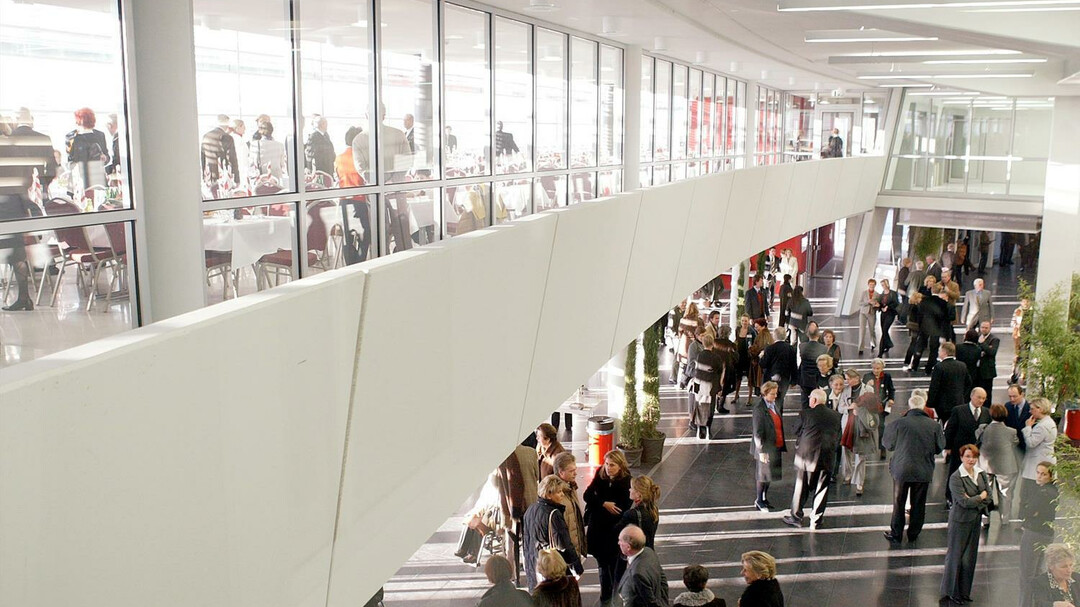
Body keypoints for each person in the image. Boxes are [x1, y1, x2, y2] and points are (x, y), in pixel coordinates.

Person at [0, 115, 52, 312]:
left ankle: (24, 298)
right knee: (16, 253)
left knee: (13, 253)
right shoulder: (15, 147)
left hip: (3, 204)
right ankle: (24, 296)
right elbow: (28, 176)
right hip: (16, 203)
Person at [883, 393, 945, 544]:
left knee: (899, 502)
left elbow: (888, 444)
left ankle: (896, 533)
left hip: (901, 469)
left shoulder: (898, 423)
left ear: (909, 406)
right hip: (923, 469)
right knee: (919, 503)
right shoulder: (934, 425)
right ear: (923, 406)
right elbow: (940, 447)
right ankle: (914, 533)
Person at [940, 444, 993, 604]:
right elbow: (963, 502)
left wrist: (977, 498)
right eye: (968, 456)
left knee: (970, 558)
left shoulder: (981, 474)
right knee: (956, 556)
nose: (971, 460)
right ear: (962, 457)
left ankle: (964, 592)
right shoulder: (956, 477)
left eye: (974, 457)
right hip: (960, 521)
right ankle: (952, 592)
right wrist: (980, 497)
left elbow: (989, 496)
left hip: (975, 519)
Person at [782, 388, 841, 530]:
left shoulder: (805, 414)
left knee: (801, 487)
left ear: (814, 400)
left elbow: (795, 430)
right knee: (822, 489)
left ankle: (796, 517)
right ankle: (816, 520)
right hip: (827, 457)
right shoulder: (836, 415)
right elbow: (838, 435)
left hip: (806, 457)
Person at [583, 450, 632, 604]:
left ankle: (611, 594)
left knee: (612, 565)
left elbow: (621, 508)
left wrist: (599, 501)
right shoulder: (601, 473)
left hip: (613, 532)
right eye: (606, 464)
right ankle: (606, 595)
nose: (608, 468)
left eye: (612, 465)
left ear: (620, 466)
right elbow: (587, 495)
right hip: (597, 529)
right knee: (603, 565)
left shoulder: (626, 481)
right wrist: (603, 503)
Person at [523, 475, 583, 591]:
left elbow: (527, 539)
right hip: (551, 565)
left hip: (534, 563)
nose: (562, 495)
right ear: (548, 494)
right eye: (559, 492)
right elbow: (564, 544)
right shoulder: (554, 514)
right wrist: (576, 567)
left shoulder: (531, 509)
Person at [1020, 462, 1060, 607]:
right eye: (1038, 472)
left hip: (1034, 534)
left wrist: (1029, 513)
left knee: (1027, 575)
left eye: (1043, 474)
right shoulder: (1054, 490)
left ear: (1050, 476)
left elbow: (1027, 511)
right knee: (1038, 572)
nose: (1039, 476)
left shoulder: (1042, 492)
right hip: (1047, 534)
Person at [944, 387, 991, 507]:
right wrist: (948, 446)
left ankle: (972, 497)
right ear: (971, 396)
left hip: (977, 451)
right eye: (979, 397)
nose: (981, 400)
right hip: (960, 449)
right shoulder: (959, 410)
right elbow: (950, 429)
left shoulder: (986, 412)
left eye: (984, 398)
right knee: (955, 472)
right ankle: (950, 497)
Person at [976, 403, 1019, 527]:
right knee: (1005, 493)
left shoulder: (983, 429)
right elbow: (1015, 443)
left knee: (984, 492)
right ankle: (1004, 519)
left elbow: (977, 438)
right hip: (1005, 466)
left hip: (985, 465)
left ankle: (985, 519)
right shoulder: (1011, 432)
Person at [751, 382, 786, 512]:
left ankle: (764, 498)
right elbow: (758, 432)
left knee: (769, 475)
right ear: (765, 393)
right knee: (762, 475)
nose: (775, 396)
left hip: (775, 444)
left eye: (776, 393)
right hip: (765, 448)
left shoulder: (773, 405)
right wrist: (761, 452)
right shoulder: (759, 409)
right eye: (772, 393)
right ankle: (759, 500)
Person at [615, 525, 670, 607]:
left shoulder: (637, 574)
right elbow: (663, 582)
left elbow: (650, 602)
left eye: (620, 540)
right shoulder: (649, 552)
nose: (618, 543)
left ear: (628, 547)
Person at [840, 392, 878, 496]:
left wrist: (859, 412)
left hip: (862, 439)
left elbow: (871, 425)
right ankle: (848, 476)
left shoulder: (872, 412)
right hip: (850, 435)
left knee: (861, 460)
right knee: (848, 456)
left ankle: (859, 483)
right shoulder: (856, 407)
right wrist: (849, 408)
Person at [67, 107, 112, 193]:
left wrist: (104, 158)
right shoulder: (73, 137)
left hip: (95, 178)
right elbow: (70, 162)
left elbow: (107, 157)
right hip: (81, 179)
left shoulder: (99, 135)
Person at [928, 342, 972, 423]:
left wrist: (930, 403)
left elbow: (934, 387)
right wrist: (962, 396)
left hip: (943, 405)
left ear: (944, 352)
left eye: (940, 350)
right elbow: (968, 383)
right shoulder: (962, 365)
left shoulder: (939, 367)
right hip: (959, 402)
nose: (938, 352)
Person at [552, 452, 587, 557]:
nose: (575, 473)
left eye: (575, 470)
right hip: (566, 553)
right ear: (561, 472)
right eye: (571, 471)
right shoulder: (556, 495)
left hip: (574, 549)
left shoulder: (570, 488)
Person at [1021, 398, 1058, 496]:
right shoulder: (1049, 422)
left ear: (1040, 409)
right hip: (1045, 459)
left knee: (1029, 494)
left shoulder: (1042, 426)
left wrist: (1028, 427)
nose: (1030, 411)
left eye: (1032, 409)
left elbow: (1031, 443)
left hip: (1037, 462)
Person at [615, 476, 660, 549]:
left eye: (632, 488)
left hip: (635, 552)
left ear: (639, 494)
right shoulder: (653, 510)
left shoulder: (631, 514)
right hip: (649, 551)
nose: (629, 490)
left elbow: (615, 533)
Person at [863, 358, 895, 458]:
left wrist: (891, 399)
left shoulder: (887, 377)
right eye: (874, 368)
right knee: (868, 427)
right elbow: (862, 390)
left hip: (881, 405)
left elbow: (891, 389)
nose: (876, 370)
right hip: (869, 406)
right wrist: (867, 386)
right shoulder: (867, 376)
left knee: (881, 427)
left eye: (878, 368)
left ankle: (882, 448)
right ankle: (867, 449)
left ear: (882, 368)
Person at [760, 327, 798, 410]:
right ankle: (779, 418)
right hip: (784, 378)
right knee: (780, 400)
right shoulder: (790, 349)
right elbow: (793, 365)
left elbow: (764, 364)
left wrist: (761, 357)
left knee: (769, 399)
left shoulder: (769, 348)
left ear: (774, 336)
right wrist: (794, 381)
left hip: (770, 378)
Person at [249, 120, 287, 190]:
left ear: (260, 131)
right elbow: (282, 164)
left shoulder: (255, 144)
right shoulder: (280, 145)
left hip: (261, 177)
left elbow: (252, 163)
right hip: (276, 176)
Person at [733, 315, 757, 405]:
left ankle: (750, 398)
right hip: (739, 357)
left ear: (748, 321)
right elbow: (736, 340)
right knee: (738, 377)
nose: (744, 323)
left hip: (748, 357)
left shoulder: (752, 331)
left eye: (745, 321)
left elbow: (755, 342)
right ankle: (736, 395)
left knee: (749, 378)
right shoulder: (738, 330)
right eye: (742, 321)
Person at [975, 320, 1001, 399]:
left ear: (990, 328)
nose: (984, 329)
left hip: (987, 371)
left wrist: (983, 343)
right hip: (977, 370)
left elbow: (992, 352)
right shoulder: (977, 337)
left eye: (986, 328)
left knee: (987, 393)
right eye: (982, 327)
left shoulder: (994, 339)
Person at [877, 279, 900, 357]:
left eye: (883, 285)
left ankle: (880, 351)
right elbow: (880, 304)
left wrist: (888, 307)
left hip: (890, 314)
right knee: (884, 331)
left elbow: (896, 303)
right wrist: (881, 308)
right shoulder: (881, 294)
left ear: (887, 284)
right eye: (882, 285)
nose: (883, 286)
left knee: (884, 330)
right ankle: (888, 344)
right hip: (883, 314)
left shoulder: (893, 293)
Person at [857, 278, 879, 356]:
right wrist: (867, 302)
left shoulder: (877, 294)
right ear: (868, 285)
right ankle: (860, 348)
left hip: (872, 313)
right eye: (870, 284)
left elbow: (878, 305)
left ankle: (873, 344)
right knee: (862, 330)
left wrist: (875, 304)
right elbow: (860, 303)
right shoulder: (864, 293)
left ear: (875, 285)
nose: (871, 286)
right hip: (863, 313)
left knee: (872, 330)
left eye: (873, 284)